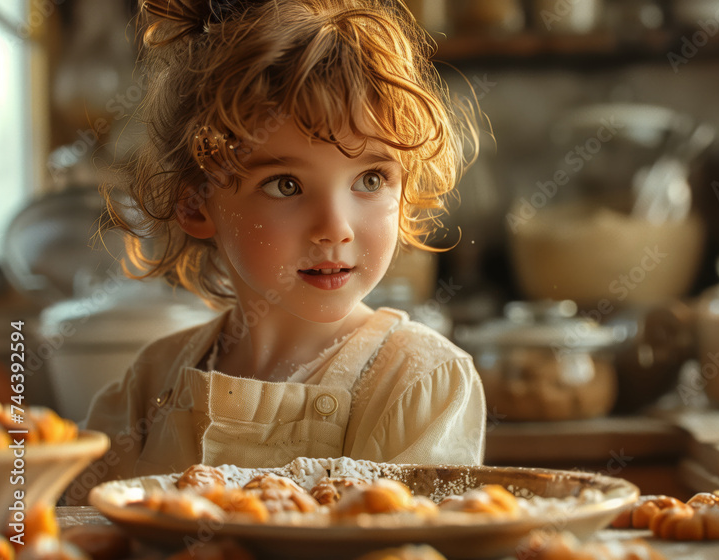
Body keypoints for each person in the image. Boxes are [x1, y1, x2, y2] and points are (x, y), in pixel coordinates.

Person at [70, 0, 485, 501]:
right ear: (196, 203)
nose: (335, 229)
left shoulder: (421, 383)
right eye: (286, 185)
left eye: (370, 179)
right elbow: (84, 527)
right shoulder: (151, 382)